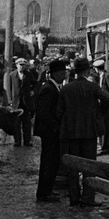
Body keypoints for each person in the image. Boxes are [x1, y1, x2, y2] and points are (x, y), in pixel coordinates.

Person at [57, 58, 109, 207]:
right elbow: (108, 99)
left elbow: (58, 112)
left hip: (71, 132)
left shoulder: (65, 89)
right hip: (89, 132)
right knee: (89, 166)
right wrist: (99, 113)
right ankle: (88, 198)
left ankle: (74, 198)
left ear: (75, 72)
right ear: (88, 70)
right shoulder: (92, 87)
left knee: (73, 166)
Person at [34, 59, 67, 203]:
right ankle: (43, 193)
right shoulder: (48, 89)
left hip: (51, 131)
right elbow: (43, 113)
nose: (64, 75)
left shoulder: (54, 87)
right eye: (62, 72)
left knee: (52, 162)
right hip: (49, 132)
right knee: (49, 162)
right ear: (55, 74)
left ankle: (47, 189)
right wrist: (55, 127)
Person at [9, 57, 36, 147]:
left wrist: (33, 91)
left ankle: (27, 141)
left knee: (27, 123)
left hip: (26, 103)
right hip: (16, 102)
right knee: (16, 123)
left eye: (23, 65)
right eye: (20, 65)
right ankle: (17, 141)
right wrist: (9, 100)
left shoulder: (28, 75)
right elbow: (9, 88)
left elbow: (36, 84)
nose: (22, 67)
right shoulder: (12, 75)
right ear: (16, 65)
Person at [93, 59, 109, 155]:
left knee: (106, 125)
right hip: (103, 105)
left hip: (107, 105)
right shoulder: (101, 76)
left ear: (97, 69)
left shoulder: (107, 76)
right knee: (103, 125)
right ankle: (103, 145)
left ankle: (107, 146)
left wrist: (105, 97)